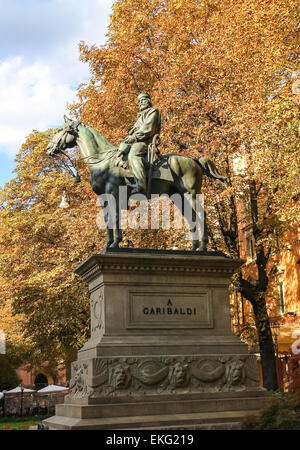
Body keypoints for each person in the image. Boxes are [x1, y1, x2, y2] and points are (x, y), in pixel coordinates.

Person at [116, 93, 161, 194]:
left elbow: (147, 129)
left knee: (134, 154)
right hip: (135, 141)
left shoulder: (152, 112)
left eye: (143, 100)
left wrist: (134, 137)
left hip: (146, 142)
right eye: (139, 101)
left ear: (148, 101)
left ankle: (141, 185)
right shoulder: (139, 117)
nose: (141, 102)